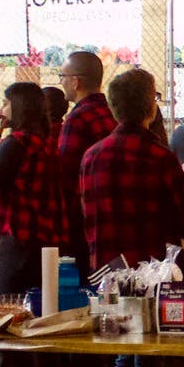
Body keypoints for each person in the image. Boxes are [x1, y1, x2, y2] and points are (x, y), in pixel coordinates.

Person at [81, 68, 184, 367]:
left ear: (111, 107)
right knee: (148, 360)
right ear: (151, 106)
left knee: (122, 357)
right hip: (150, 271)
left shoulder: (92, 157)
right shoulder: (161, 157)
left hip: (106, 273)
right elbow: (179, 219)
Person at [0, 81, 67, 294]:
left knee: (8, 308)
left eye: (6, 103)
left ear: (19, 106)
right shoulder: (47, 144)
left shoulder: (16, 144)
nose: (1, 109)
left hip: (17, 239)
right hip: (46, 240)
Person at [57, 50, 116, 270]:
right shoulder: (112, 112)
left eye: (62, 76)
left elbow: (64, 170)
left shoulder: (77, 119)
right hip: (112, 212)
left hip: (83, 218)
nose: (61, 82)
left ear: (75, 81)